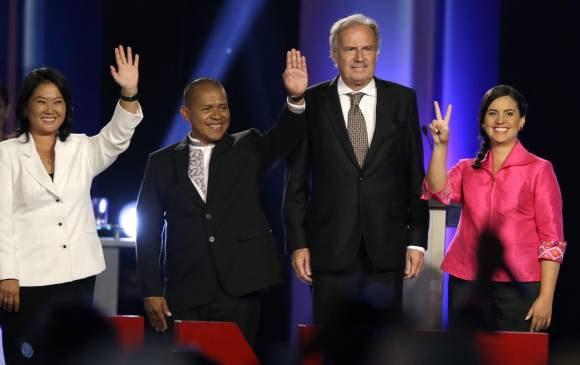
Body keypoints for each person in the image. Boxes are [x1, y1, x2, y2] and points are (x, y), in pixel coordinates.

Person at [136, 49, 308, 346]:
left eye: (223, 107)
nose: (218, 115)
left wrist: (294, 100)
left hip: (240, 285)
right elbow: (147, 228)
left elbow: (284, 138)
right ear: (186, 114)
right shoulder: (161, 162)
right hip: (186, 286)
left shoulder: (248, 146)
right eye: (207, 109)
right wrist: (151, 289)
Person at [283, 13, 429, 325]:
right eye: (350, 49)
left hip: (387, 247)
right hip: (330, 246)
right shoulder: (312, 101)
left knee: (385, 344)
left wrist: (417, 239)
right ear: (334, 55)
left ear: (377, 52)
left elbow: (415, 175)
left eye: (367, 48)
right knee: (333, 342)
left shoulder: (403, 100)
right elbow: (296, 181)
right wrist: (298, 243)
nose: (360, 58)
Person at [0, 45, 142, 364]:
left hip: (77, 272)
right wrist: (6, 274)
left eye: (58, 101)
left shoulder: (79, 147)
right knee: (26, 355)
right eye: (41, 101)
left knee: (74, 355)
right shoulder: (6, 154)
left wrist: (129, 93)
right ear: (25, 107)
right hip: (27, 278)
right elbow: (1, 219)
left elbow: (116, 139)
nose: (50, 109)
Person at [423, 85, 566, 332]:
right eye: (492, 113)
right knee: (465, 354)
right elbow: (437, 191)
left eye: (509, 113)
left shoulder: (539, 169)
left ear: (521, 122)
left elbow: (551, 239)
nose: (500, 120)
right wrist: (440, 146)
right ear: (482, 122)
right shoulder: (467, 168)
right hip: (467, 279)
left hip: (520, 284)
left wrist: (547, 296)